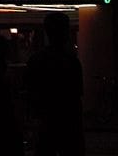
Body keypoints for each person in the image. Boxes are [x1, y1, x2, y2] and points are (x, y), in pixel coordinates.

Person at [25, 11, 85, 156]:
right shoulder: (71, 61)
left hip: (45, 124)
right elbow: (77, 94)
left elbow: (30, 93)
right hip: (69, 124)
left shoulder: (36, 60)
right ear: (65, 32)